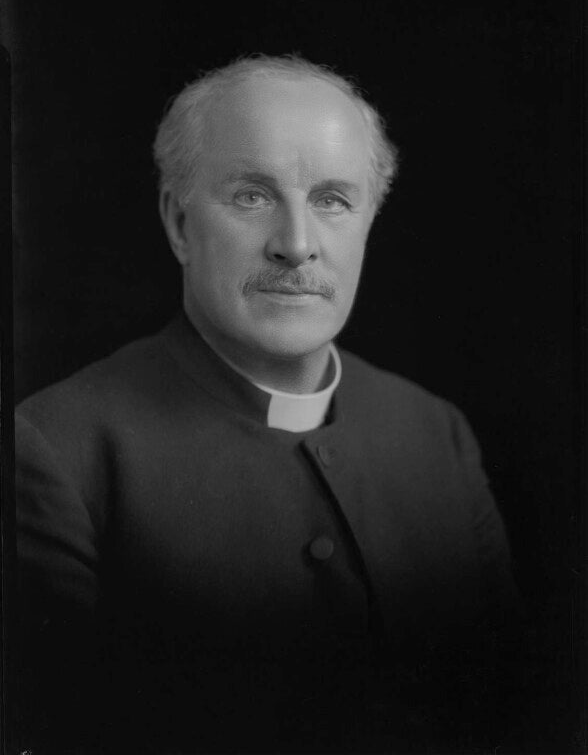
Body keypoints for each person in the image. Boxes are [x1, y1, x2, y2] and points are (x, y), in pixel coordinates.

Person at [16, 54, 522, 755]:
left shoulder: (437, 432)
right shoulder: (54, 447)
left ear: (368, 224)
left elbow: (507, 710)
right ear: (179, 224)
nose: (297, 245)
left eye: (332, 200)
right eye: (252, 196)